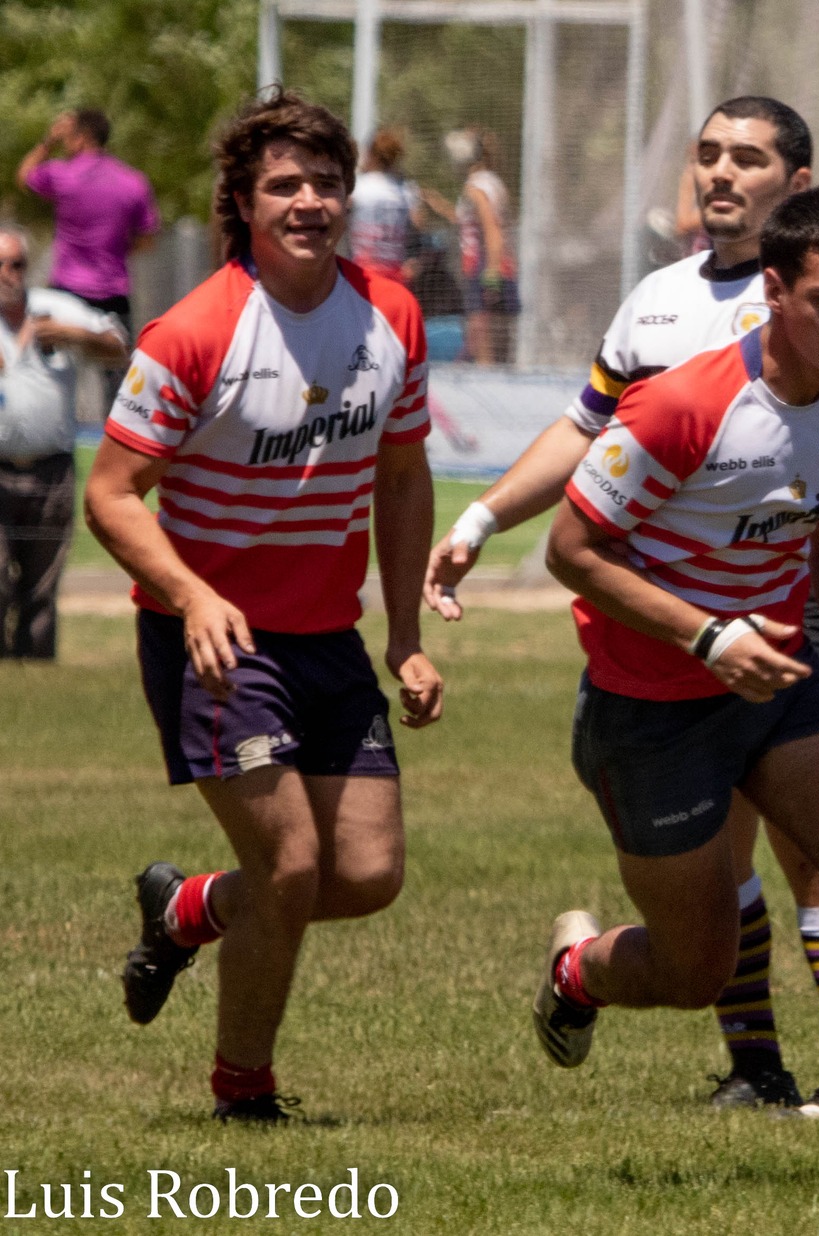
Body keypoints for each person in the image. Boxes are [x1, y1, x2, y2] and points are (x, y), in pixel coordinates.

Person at [423, 95, 819, 1117]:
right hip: (662, 644)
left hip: (784, 609)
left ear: (795, 185)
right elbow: (586, 437)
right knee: (707, 908)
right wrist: (484, 516)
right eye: (708, 154)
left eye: (747, 158)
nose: (720, 173)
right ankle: (743, 1057)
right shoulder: (659, 309)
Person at [533, 186, 819, 1183]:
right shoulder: (680, 405)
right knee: (691, 970)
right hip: (649, 709)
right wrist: (707, 637)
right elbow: (571, 551)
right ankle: (579, 971)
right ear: (774, 293)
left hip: (779, 690)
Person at [83, 90, 445, 1123]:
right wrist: (191, 595)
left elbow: (403, 475)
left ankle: (188, 908)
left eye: (326, 183)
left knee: (365, 873)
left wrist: (406, 637)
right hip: (214, 641)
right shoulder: (194, 332)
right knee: (289, 864)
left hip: (328, 638)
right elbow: (111, 494)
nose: (309, 202)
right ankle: (244, 1095)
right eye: (284, 185)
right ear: (243, 204)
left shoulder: (391, 316)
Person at [0, 224, 127, 658]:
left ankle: (37, 670)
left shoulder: (56, 309)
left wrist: (75, 336)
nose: (6, 274)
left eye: (15, 264)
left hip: (51, 469)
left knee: (42, 585)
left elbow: (119, 346)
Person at [16, 107, 160, 390]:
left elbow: (25, 176)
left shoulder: (63, 174)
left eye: (68, 137)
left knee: (54, 376)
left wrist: (48, 140)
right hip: (112, 291)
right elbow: (147, 239)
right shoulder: (132, 181)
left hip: (66, 290)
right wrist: (117, 248)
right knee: (119, 381)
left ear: (81, 138)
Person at [447, 128, 517, 364]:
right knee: (499, 340)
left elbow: (491, 229)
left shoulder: (475, 187)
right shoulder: (494, 182)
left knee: (481, 337)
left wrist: (491, 273)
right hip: (501, 263)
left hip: (485, 266)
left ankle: (484, 378)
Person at [349, 128, 427, 285]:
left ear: (370, 154)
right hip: (394, 271)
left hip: (361, 270)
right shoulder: (406, 191)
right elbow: (419, 225)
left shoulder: (358, 187)